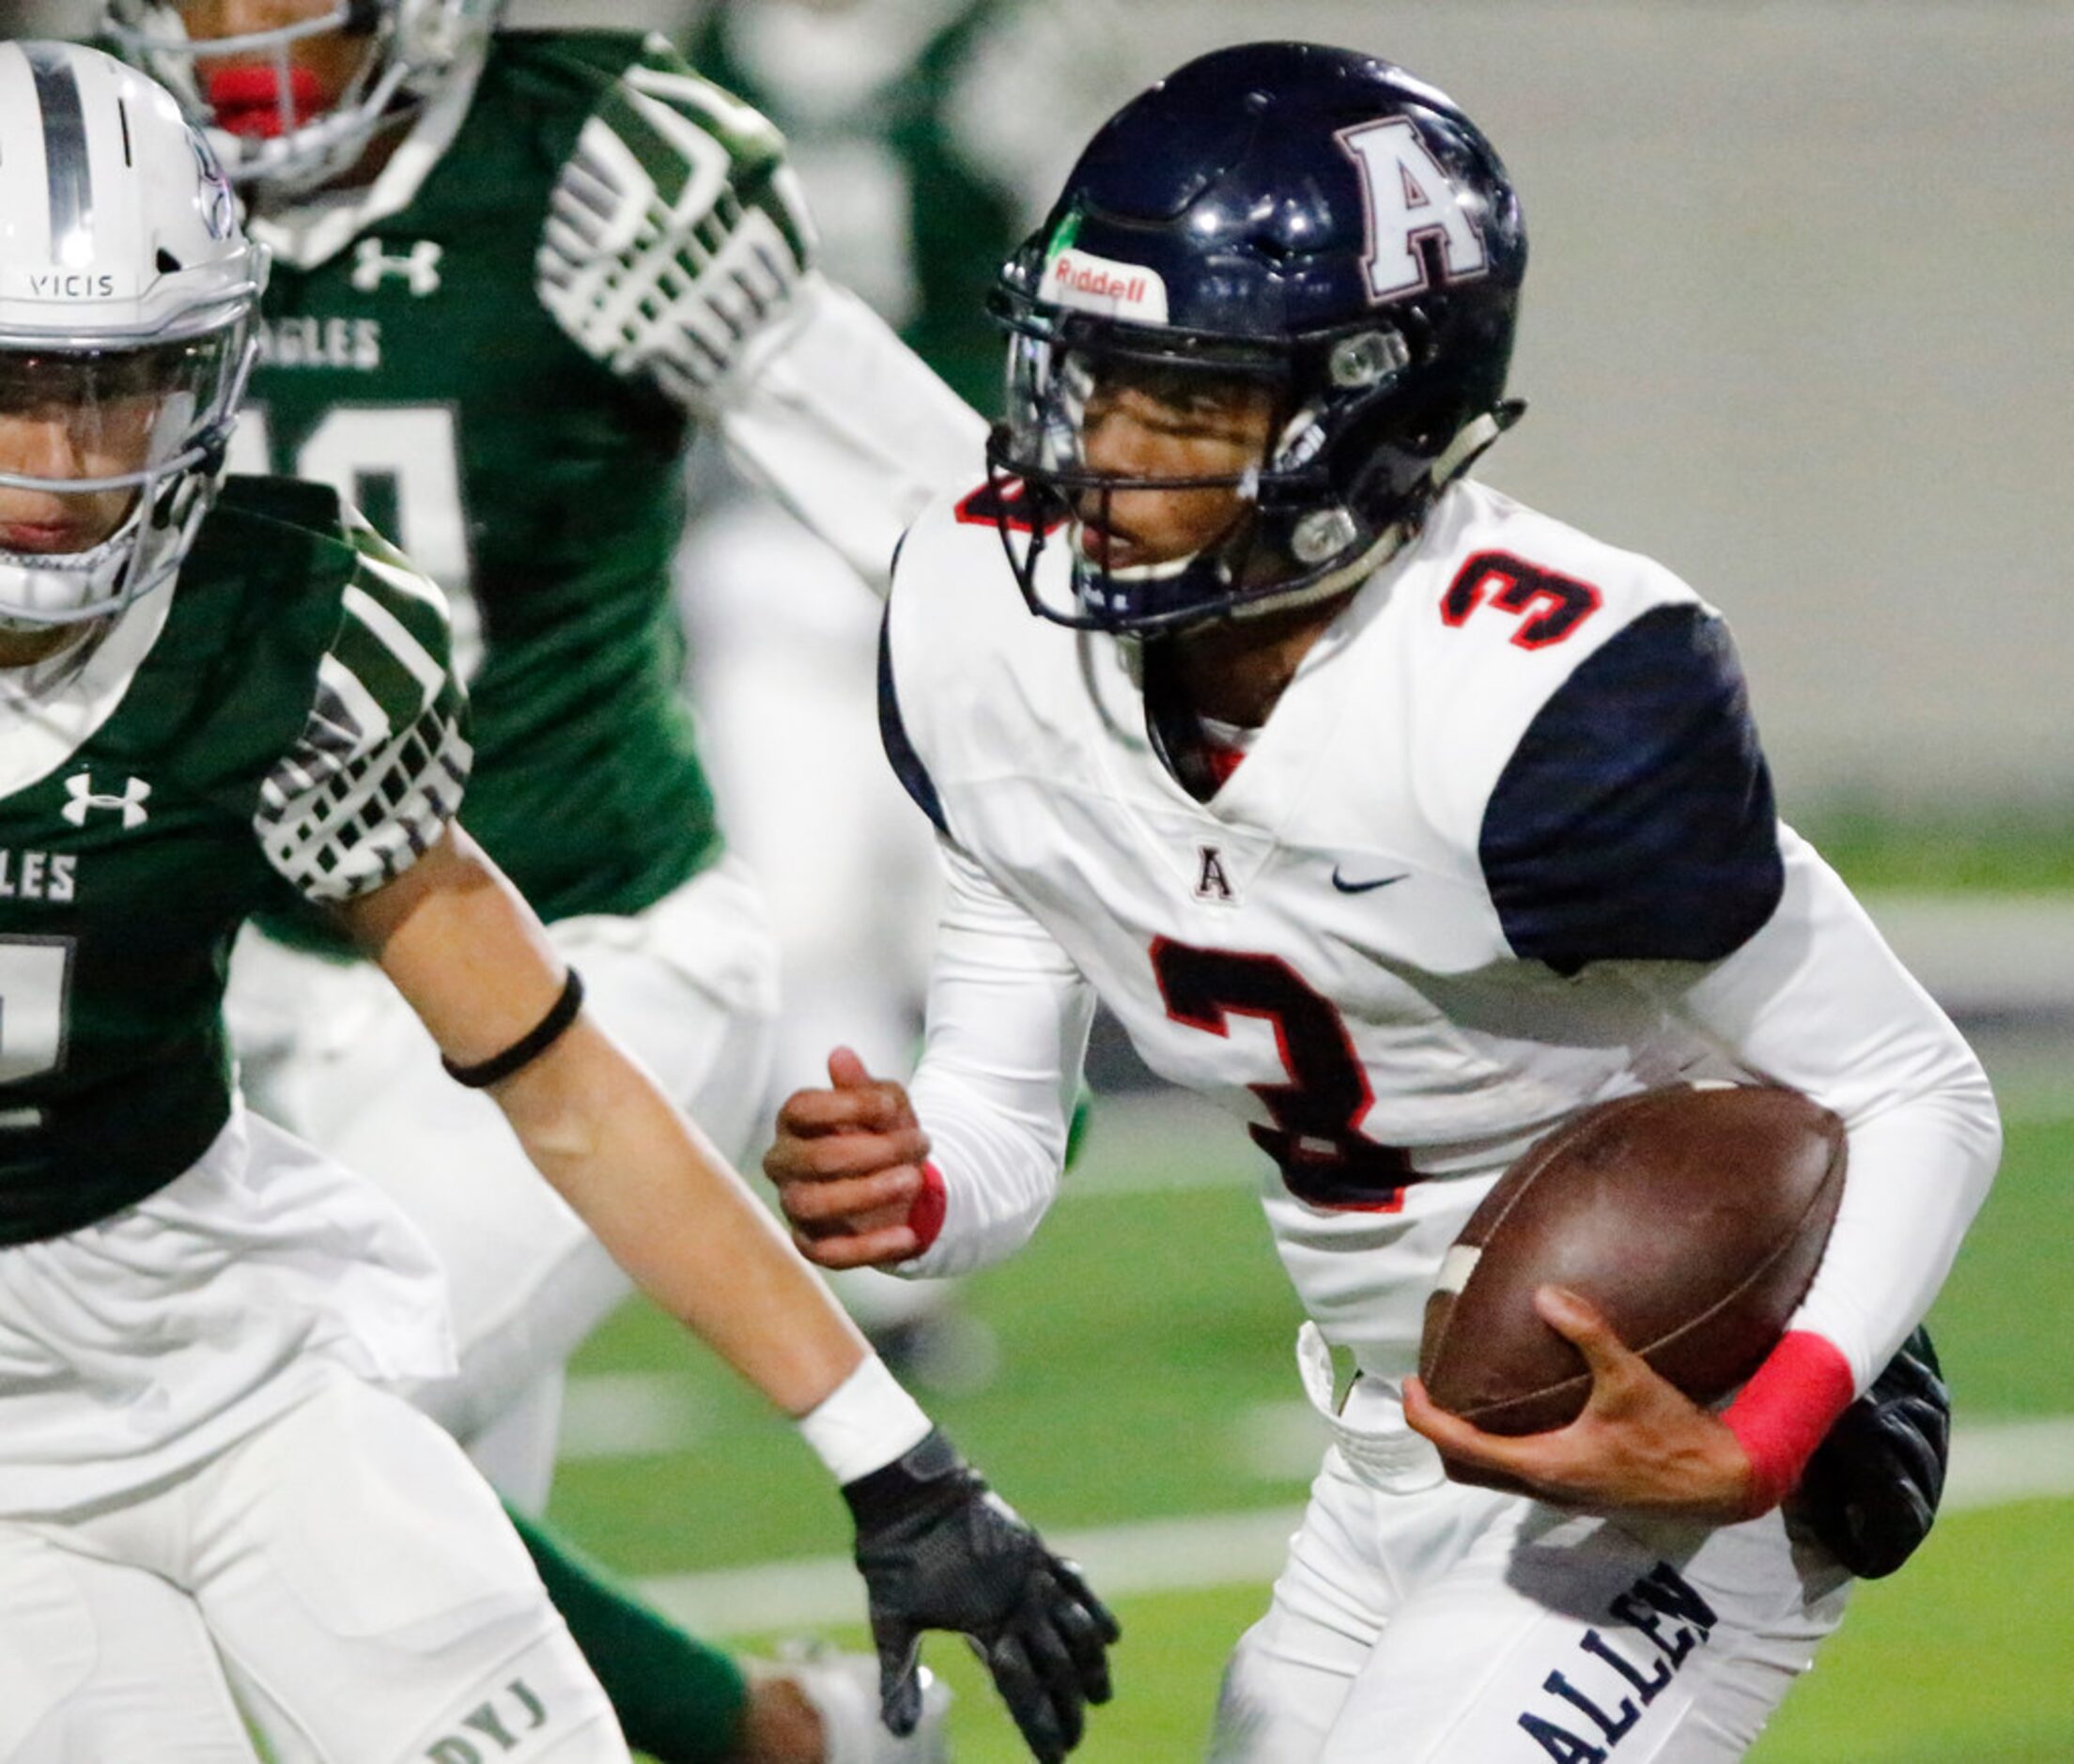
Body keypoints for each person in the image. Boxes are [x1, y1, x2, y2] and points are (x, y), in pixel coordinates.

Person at [764, 41, 2001, 1762]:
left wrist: (1767, 1430)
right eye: (1087, 379)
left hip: (1658, 1419)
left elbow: (1919, 1088)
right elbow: (997, 1134)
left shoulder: (1539, 696)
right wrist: (915, 1191)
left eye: (1184, 403)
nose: (1101, 455)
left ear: (1369, 416)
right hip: (1387, 1434)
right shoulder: (982, 621)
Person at [0, 39, 1112, 1764]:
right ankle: (781, 1733)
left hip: (570, 929)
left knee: (368, 1428)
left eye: (118, 386)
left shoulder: (295, 616)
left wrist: (897, 1456)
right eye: (18, 383)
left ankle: (781, 1738)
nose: (66, 462)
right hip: (229, 1045)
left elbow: (958, 547)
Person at [675, 0, 1132, 1391]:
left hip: (959, 537)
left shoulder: (999, 53)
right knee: (802, 924)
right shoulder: (704, 64)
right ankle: (877, 1281)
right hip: (765, 548)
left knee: (993, 919)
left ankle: (966, 1181)